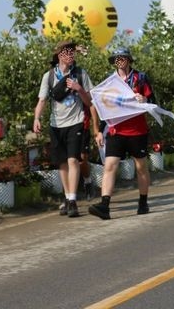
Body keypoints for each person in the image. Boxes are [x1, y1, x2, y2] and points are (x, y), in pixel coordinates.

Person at [89, 48, 155, 220]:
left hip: (137, 130)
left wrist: (144, 99)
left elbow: (153, 101)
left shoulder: (140, 78)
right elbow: (105, 107)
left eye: (123, 58)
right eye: (117, 59)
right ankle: (104, 206)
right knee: (109, 166)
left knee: (141, 167)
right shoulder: (110, 82)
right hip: (116, 130)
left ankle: (143, 202)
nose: (120, 61)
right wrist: (99, 131)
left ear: (129, 60)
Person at [33, 40, 93, 218]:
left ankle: (73, 200)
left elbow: (90, 102)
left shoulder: (80, 73)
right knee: (62, 163)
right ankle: (67, 197)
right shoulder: (49, 76)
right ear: (59, 55)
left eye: (72, 52)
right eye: (67, 52)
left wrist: (79, 89)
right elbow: (42, 100)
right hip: (56, 125)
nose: (71, 55)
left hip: (76, 122)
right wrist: (36, 118)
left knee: (73, 160)